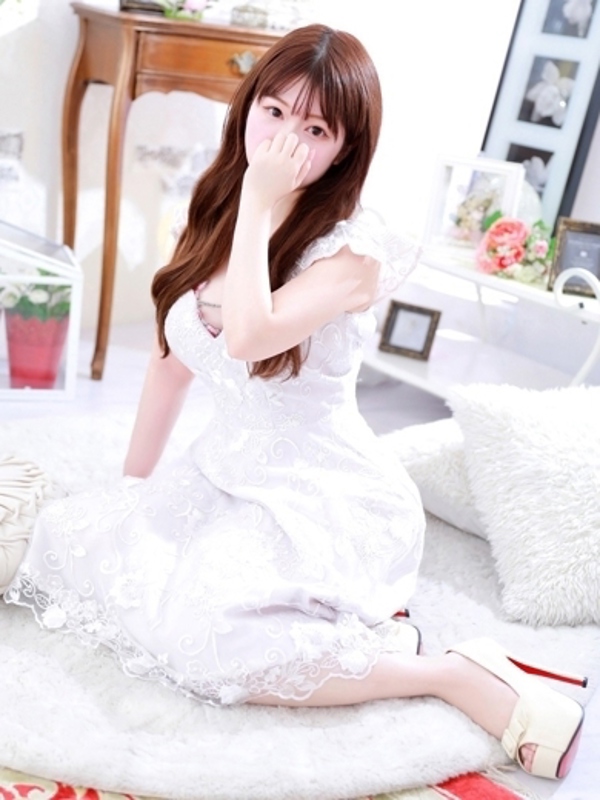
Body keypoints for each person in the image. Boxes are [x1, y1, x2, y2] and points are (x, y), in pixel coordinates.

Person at [3, 23, 585, 782]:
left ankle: (447, 674)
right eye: (273, 112)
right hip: (225, 475)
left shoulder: (352, 253)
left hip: (327, 496)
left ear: (345, 149)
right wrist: (133, 489)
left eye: (314, 130)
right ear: (247, 106)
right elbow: (169, 364)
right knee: (75, 546)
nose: (283, 142)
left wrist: (257, 201)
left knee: (212, 641)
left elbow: (248, 337)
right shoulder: (213, 207)